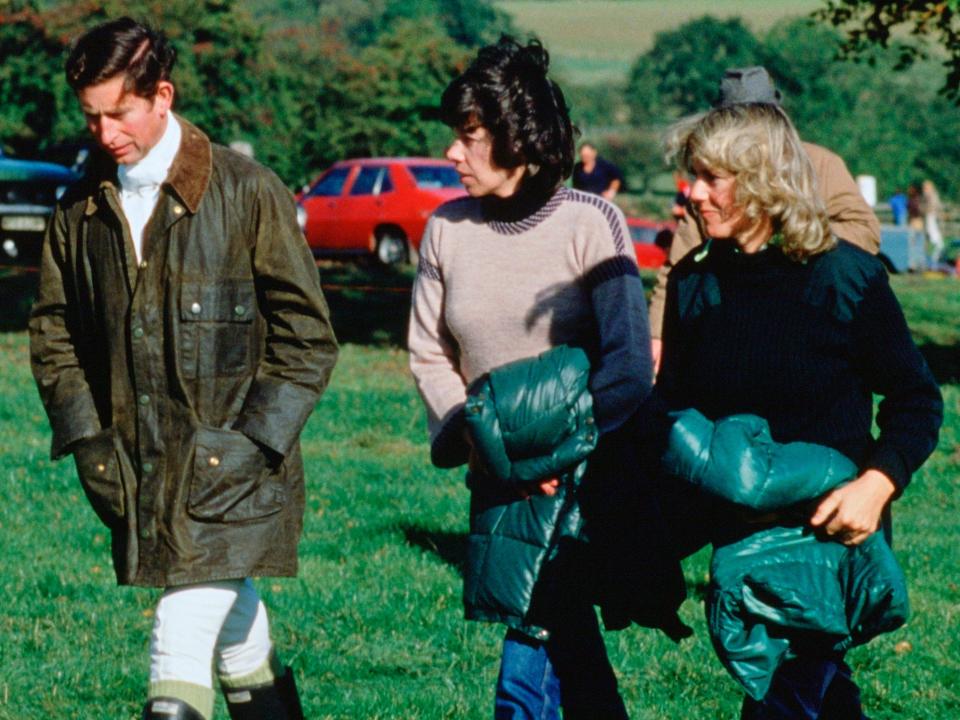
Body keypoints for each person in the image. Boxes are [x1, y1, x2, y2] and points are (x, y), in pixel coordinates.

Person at [29, 18, 338, 720]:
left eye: (121, 112)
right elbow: (53, 332)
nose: (106, 133)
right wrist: (89, 442)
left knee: (177, 643)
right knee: (235, 639)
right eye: (92, 116)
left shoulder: (248, 191)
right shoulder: (79, 210)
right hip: (135, 472)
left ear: (162, 95)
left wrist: (252, 444)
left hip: (237, 477)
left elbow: (308, 339)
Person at [408, 37, 677, 719]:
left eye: (468, 137)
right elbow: (428, 354)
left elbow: (626, 368)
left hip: (589, 486)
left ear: (518, 138)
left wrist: (547, 457)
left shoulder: (592, 223)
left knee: (532, 653)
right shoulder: (445, 230)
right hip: (497, 480)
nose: (451, 153)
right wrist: (480, 445)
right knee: (568, 648)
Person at [656, 101, 942, 719]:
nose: (695, 193)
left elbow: (915, 398)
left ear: (763, 181)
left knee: (785, 699)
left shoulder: (846, 278)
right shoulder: (693, 286)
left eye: (712, 177)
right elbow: (673, 414)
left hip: (830, 536)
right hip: (741, 542)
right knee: (820, 696)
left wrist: (877, 482)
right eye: (693, 175)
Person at [647, 66, 880, 370]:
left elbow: (864, 229)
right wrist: (657, 334)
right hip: (730, 309)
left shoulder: (819, 163)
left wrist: (792, 240)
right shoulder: (709, 184)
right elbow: (680, 261)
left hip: (809, 307)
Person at [921, 179, 944, 263]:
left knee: (933, 238)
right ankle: (933, 256)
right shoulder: (930, 195)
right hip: (930, 217)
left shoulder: (931, 195)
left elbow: (932, 207)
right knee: (930, 238)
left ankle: (935, 257)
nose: (924, 189)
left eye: (925, 187)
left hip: (931, 217)